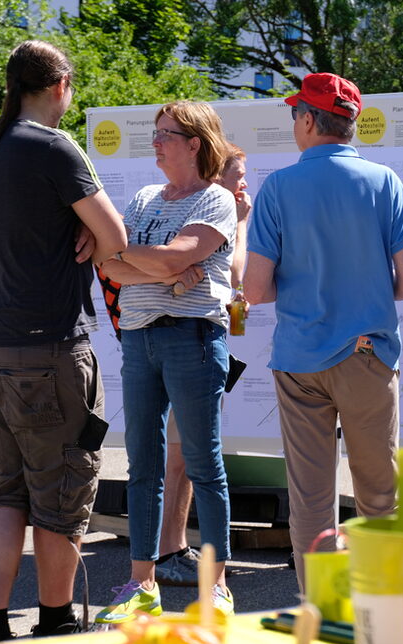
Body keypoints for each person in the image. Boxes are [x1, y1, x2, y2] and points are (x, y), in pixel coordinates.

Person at [244, 72, 403, 590]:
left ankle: (319, 607)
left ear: (307, 120)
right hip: (369, 355)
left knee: (311, 498)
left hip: (300, 360)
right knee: (379, 494)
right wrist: (360, 284)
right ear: (349, 124)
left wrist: (307, 285)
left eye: (294, 114)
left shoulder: (277, 187)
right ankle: (382, 604)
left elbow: (254, 290)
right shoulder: (385, 182)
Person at [0, 40, 127, 640]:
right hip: (48, 346)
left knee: (8, 486)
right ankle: (57, 622)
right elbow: (114, 237)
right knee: (63, 487)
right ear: (60, 84)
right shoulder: (53, 147)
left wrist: (80, 233)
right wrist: (93, 239)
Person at [93, 101, 237, 623]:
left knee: (203, 464)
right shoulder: (144, 197)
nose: (154, 142)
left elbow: (173, 254)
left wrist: (167, 264)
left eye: (165, 134)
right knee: (142, 467)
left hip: (192, 339)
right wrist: (172, 276)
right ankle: (141, 584)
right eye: (154, 133)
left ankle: (216, 585)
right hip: (139, 339)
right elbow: (108, 267)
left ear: (195, 143)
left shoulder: (216, 199)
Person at [155, 144, 252, 586]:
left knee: (185, 456)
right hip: (186, 348)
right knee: (184, 457)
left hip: (188, 346)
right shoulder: (213, 214)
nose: (244, 185)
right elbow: (236, 275)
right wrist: (244, 220)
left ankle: (171, 548)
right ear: (217, 180)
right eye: (239, 177)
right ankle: (167, 551)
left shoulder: (205, 215)